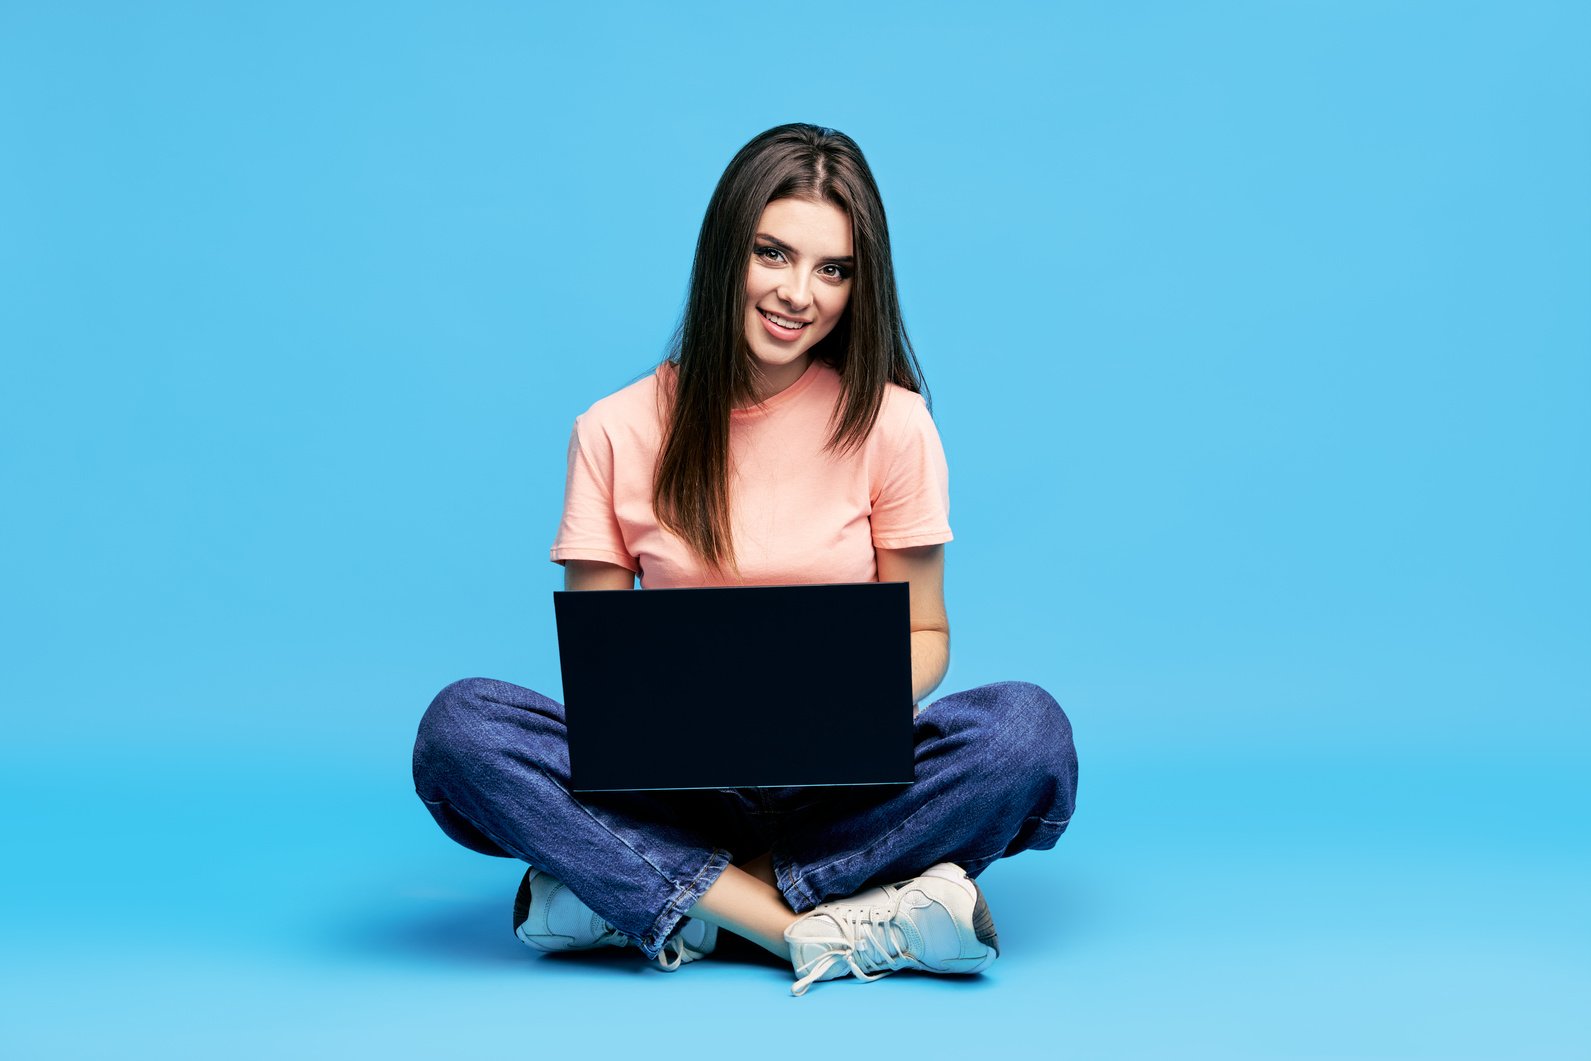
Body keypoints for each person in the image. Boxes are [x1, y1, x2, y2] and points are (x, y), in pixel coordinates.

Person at [412, 123, 1078, 997]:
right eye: (773, 253)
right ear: (727, 249)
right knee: (461, 728)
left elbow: (924, 626)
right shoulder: (613, 429)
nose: (798, 293)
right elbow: (599, 667)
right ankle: (803, 927)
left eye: (832, 269)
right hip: (673, 787)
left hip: (836, 784)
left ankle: (649, 897)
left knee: (1025, 734)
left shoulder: (894, 422)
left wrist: (841, 703)